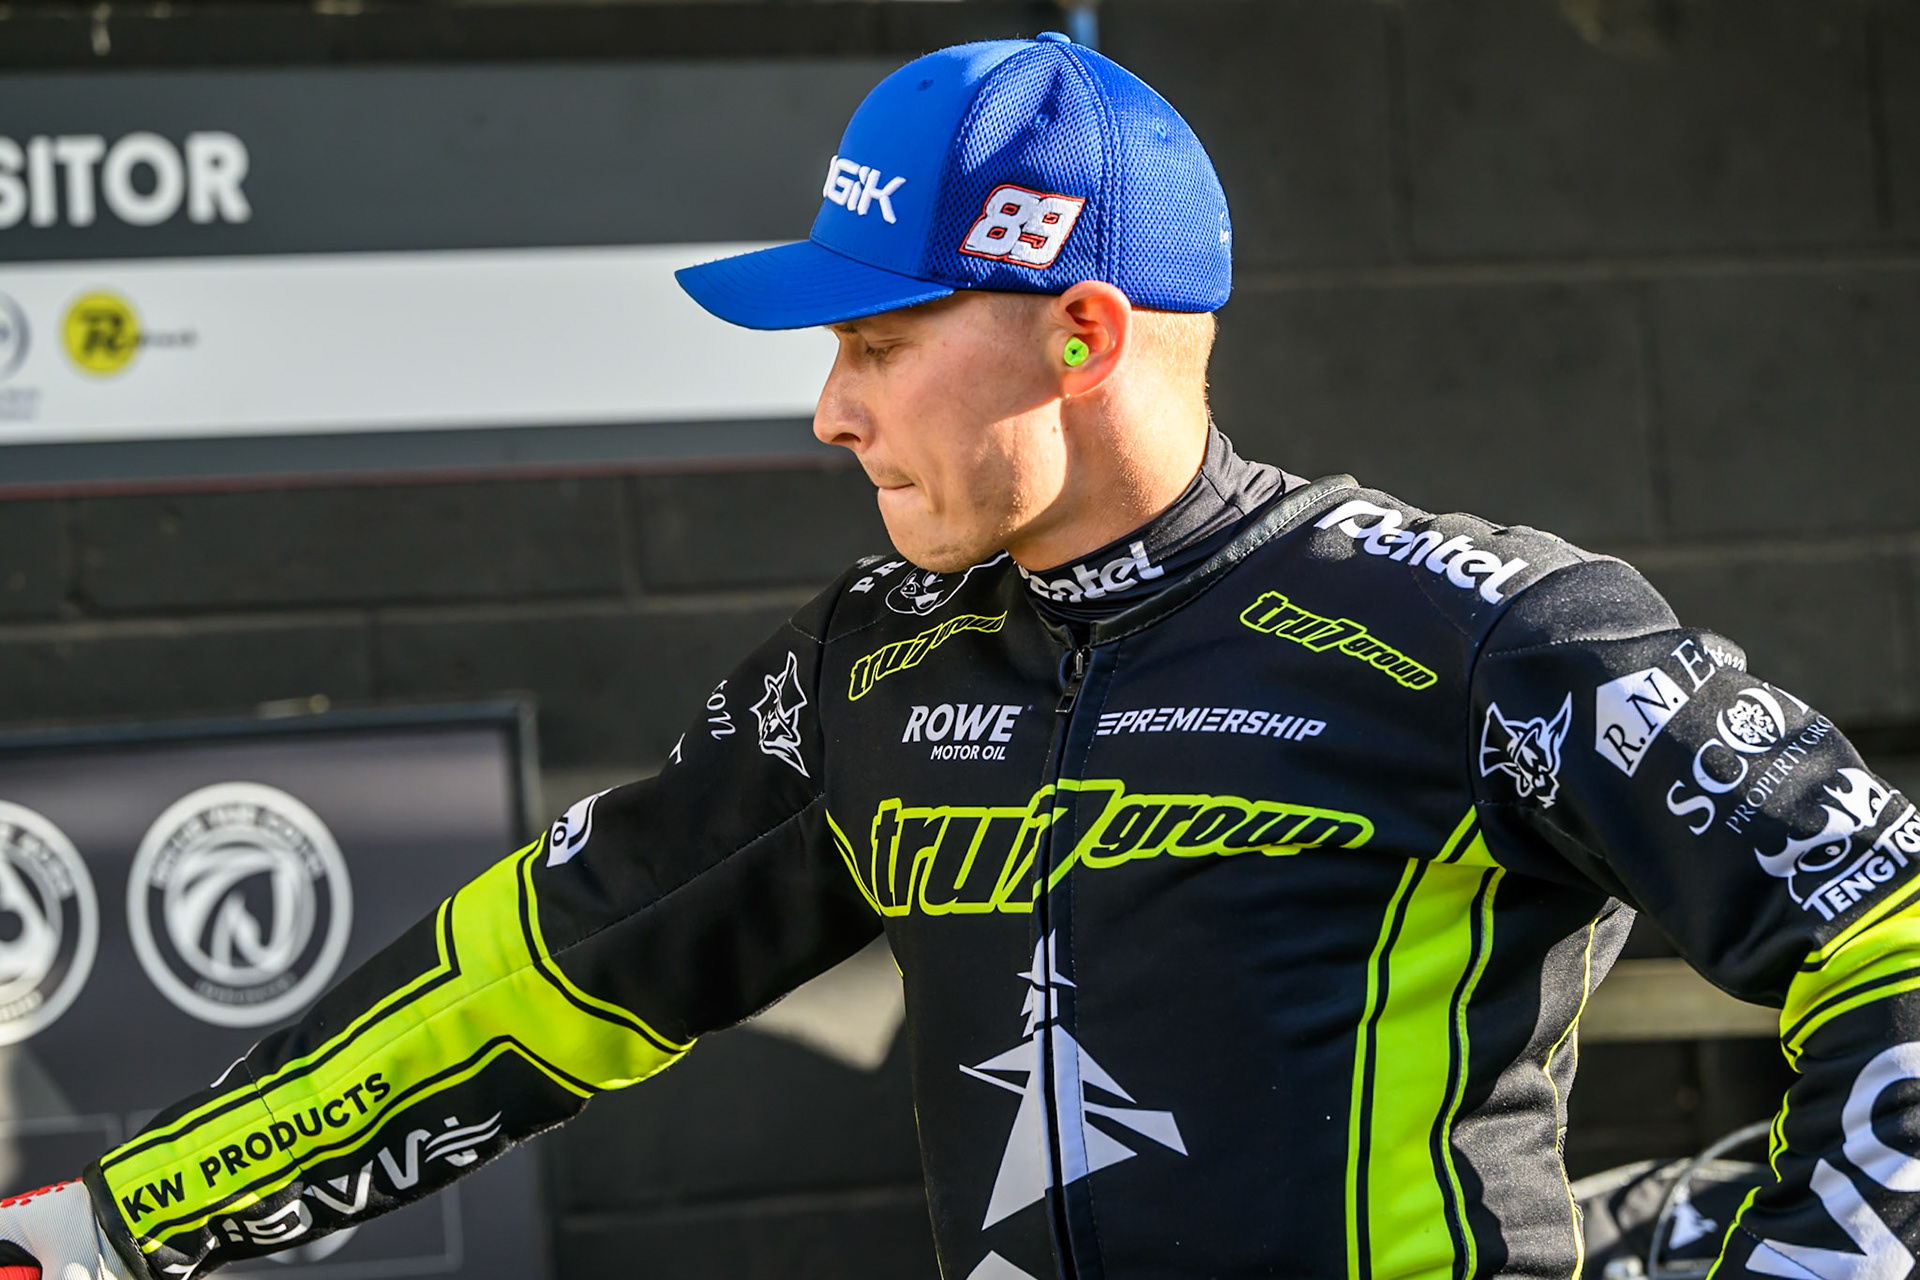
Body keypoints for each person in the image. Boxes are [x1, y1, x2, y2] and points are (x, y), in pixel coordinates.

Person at [3, 31, 1917, 1280]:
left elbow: (1891, 940)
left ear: (1081, 335)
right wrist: (104, 1230)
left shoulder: (1476, 629)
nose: (828, 414)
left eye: (876, 346)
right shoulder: (868, 667)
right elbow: (530, 982)